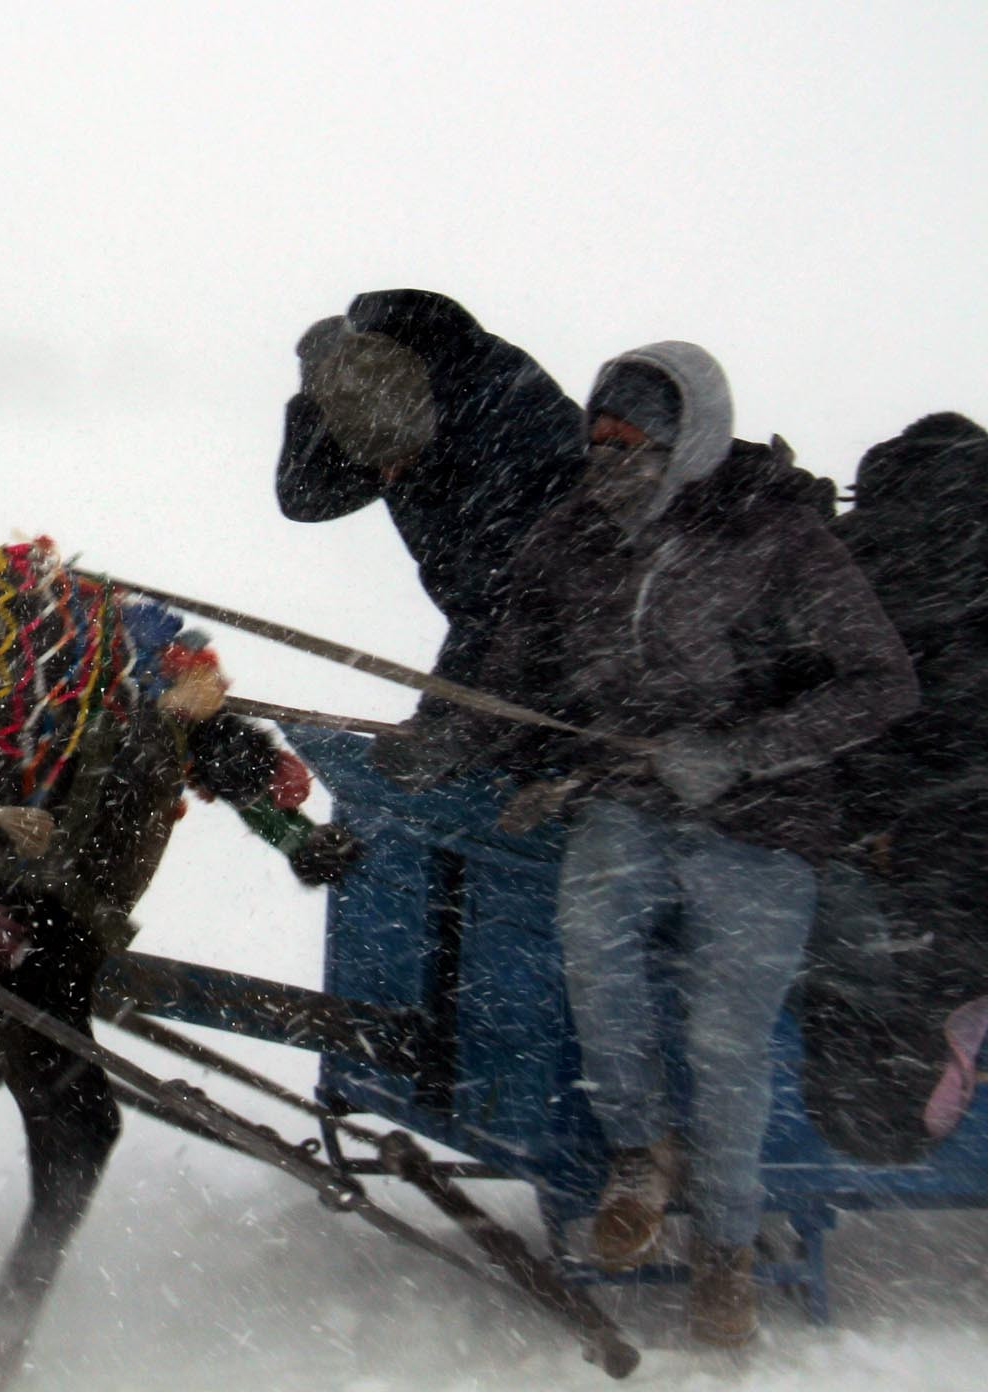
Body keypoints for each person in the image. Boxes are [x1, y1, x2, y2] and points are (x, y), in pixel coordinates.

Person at [389, 341, 917, 1348]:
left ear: (693, 441)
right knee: (594, 942)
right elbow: (514, 673)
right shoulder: (572, 537)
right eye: (598, 438)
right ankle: (640, 1152)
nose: (609, 457)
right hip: (627, 798)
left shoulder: (780, 538)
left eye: (633, 440)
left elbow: (881, 682)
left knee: (727, 1041)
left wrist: (739, 753)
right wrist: (455, 734)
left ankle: (725, 1251)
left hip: (764, 822)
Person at [802, 412, 988, 1157]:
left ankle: (905, 1069)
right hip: (941, 835)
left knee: (849, 952)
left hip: (889, 826)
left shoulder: (845, 553)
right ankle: (909, 1070)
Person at [278, 289, 583, 693]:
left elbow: (496, 606)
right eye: (378, 469)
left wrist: (443, 722)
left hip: (593, 671)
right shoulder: (393, 398)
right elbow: (305, 497)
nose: (388, 478)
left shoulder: (503, 436)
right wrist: (312, 397)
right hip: (531, 658)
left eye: (397, 463)